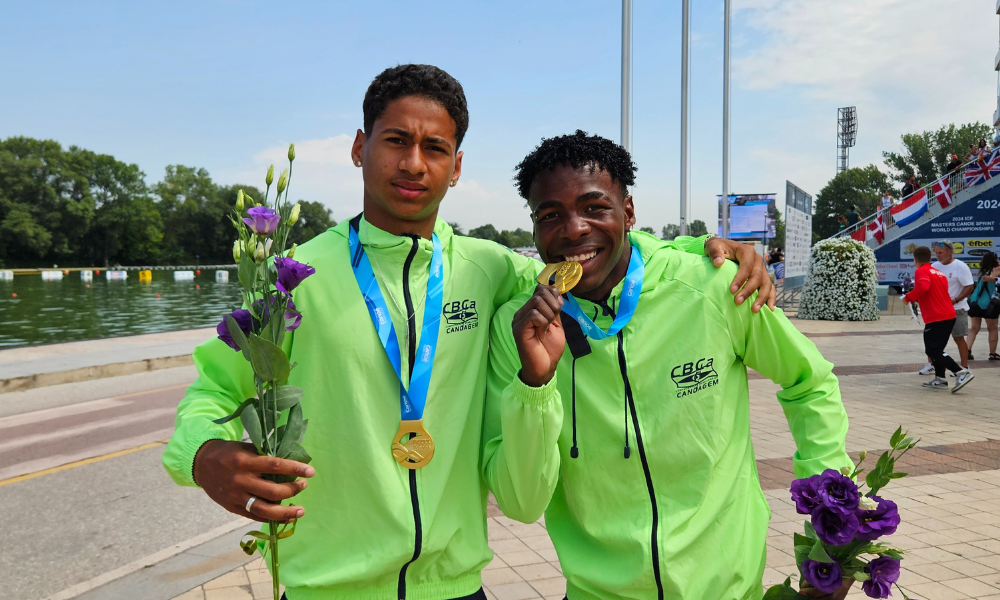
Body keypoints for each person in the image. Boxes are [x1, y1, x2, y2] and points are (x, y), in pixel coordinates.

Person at [161, 66, 773, 600]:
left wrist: (700, 250)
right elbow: (212, 393)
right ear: (358, 147)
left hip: (456, 590)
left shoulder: (492, 270)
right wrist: (201, 454)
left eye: (435, 147)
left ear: (457, 167)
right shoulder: (290, 279)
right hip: (325, 587)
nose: (413, 163)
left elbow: (592, 255)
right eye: (396, 140)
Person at [483, 131, 853, 600]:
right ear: (534, 229)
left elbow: (810, 383)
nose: (574, 229)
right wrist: (534, 385)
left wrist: (832, 537)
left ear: (629, 213)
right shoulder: (514, 328)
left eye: (595, 207)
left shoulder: (715, 285)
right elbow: (520, 503)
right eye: (551, 215)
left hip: (729, 589)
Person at [902, 246, 975, 392]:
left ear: (915, 260)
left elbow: (923, 287)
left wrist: (909, 297)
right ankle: (940, 379)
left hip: (937, 316)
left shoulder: (921, 271)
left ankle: (961, 372)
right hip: (948, 314)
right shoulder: (939, 272)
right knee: (938, 349)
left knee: (932, 350)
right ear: (930, 258)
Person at [931, 240, 975, 366]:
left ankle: (964, 367)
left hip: (957, 309)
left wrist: (955, 300)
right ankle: (931, 365)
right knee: (934, 340)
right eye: (936, 253)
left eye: (941, 252)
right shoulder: (934, 266)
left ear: (950, 252)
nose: (938, 255)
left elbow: (969, 286)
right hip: (939, 310)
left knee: (958, 338)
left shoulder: (960, 267)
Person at [968, 251, 1000, 361]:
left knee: (974, 328)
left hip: (975, 301)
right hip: (990, 303)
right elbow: (995, 279)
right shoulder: (996, 269)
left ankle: (967, 350)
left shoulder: (981, 272)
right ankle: (993, 353)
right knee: (992, 328)